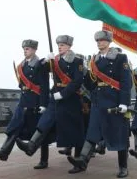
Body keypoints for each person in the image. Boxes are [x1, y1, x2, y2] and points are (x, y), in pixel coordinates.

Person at [67, 30, 132, 178]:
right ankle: (82, 161)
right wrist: (84, 73)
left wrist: (124, 103)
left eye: (102, 40)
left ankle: (123, 167)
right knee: (93, 132)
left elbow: (125, 82)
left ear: (109, 42)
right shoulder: (94, 60)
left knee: (119, 134)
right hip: (98, 101)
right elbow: (92, 84)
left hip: (114, 101)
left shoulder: (120, 58)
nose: (99, 43)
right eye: (98, 41)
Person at [17, 35, 86, 166]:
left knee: (75, 128)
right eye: (59, 45)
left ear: (69, 46)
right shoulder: (55, 60)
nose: (60, 47)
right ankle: (31, 145)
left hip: (71, 97)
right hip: (55, 96)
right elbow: (39, 70)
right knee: (45, 120)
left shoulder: (77, 60)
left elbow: (77, 81)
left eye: (63, 45)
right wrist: (44, 61)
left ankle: (78, 159)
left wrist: (63, 94)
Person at [0, 40, 50, 162]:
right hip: (24, 102)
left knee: (40, 131)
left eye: (27, 49)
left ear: (34, 50)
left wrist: (44, 104)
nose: (25, 51)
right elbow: (21, 85)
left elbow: (44, 85)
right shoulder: (21, 66)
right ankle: (3, 152)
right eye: (24, 49)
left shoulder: (41, 64)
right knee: (14, 127)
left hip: (36, 102)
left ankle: (44, 160)